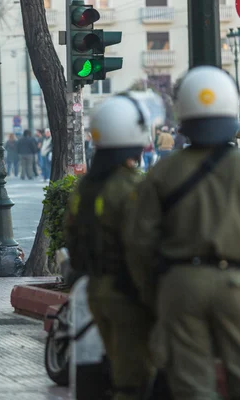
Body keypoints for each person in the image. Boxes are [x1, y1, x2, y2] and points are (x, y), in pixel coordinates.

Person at [124, 66, 240, 399]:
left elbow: (139, 244)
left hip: (181, 285)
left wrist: (154, 292)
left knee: (192, 387)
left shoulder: (162, 172)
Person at [65, 93, 159, 400]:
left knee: (120, 367)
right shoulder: (131, 187)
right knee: (134, 381)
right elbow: (141, 247)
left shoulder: (84, 187)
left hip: (97, 289)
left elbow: (73, 240)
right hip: (127, 292)